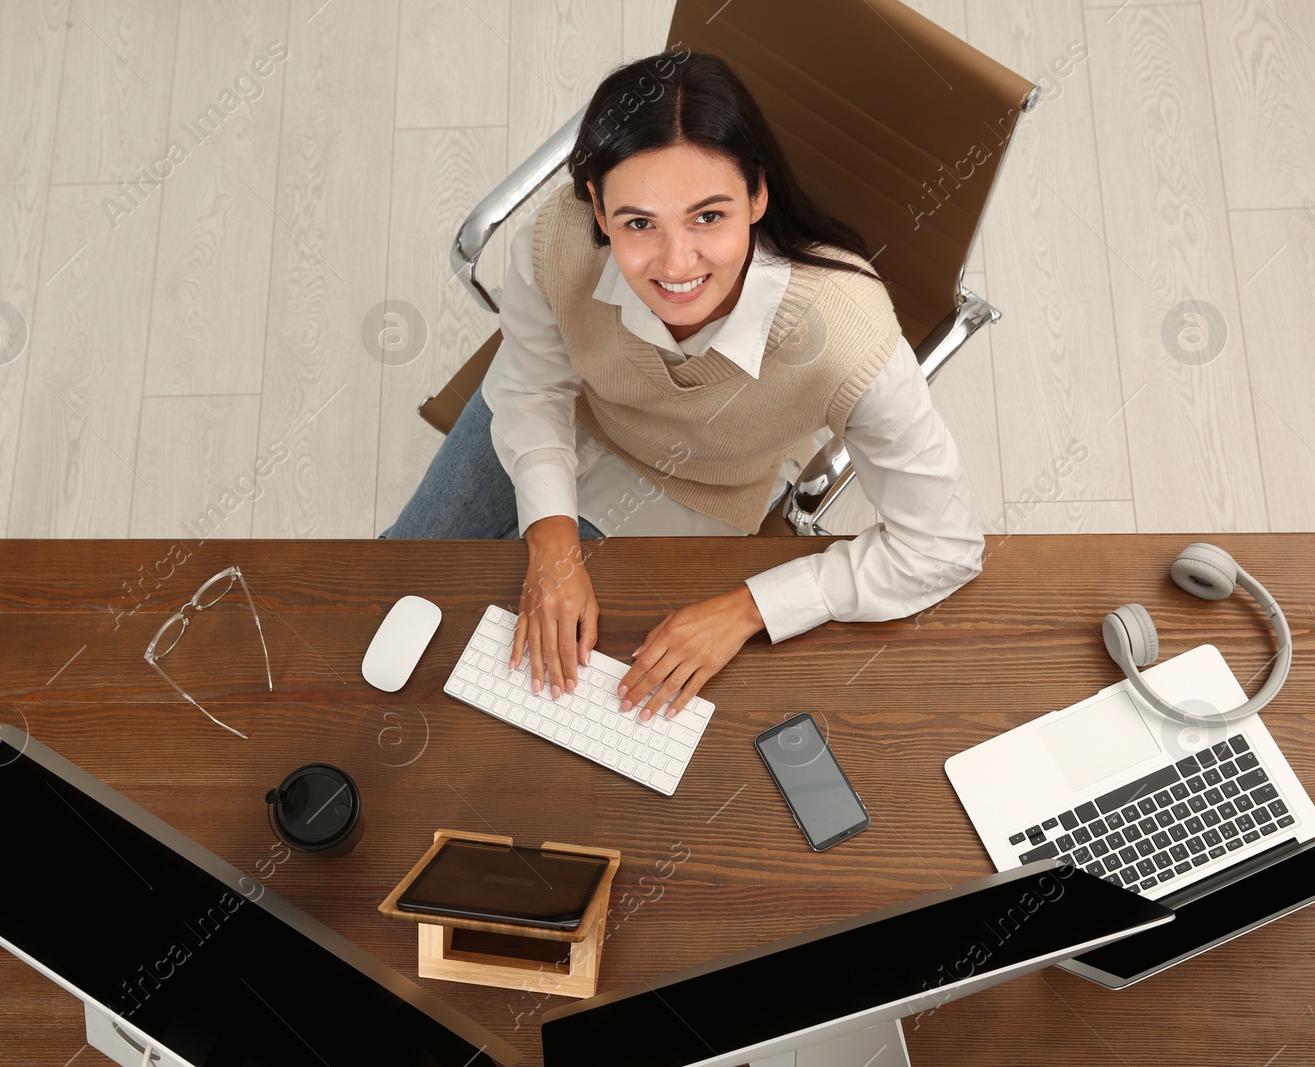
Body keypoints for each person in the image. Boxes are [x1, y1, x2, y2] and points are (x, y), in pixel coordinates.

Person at [381, 48, 984, 722]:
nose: (676, 264)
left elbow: (944, 546)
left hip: (694, 483)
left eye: (708, 216)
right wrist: (551, 542)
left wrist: (749, 607)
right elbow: (531, 390)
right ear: (599, 211)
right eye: (639, 222)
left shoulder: (844, 333)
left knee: (529, 685)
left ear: (758, 194)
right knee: (388, 589)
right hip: (565, 412)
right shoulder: (557, 240)